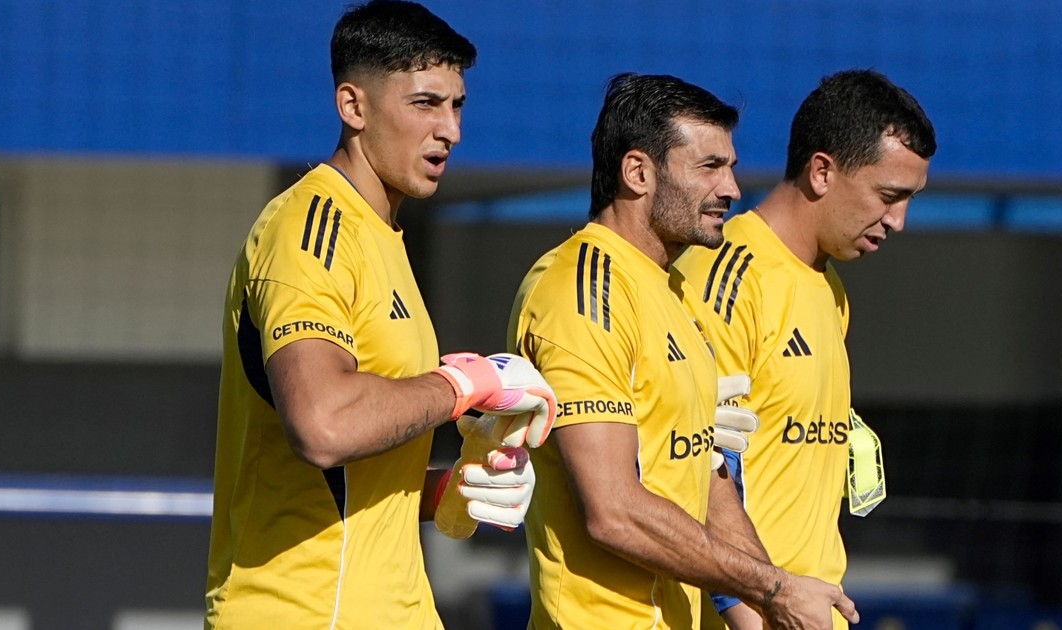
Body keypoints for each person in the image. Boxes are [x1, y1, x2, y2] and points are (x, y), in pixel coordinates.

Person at [205, 2, 554, 627]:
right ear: (353, 107)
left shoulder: (380, 235)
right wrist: (465, 384)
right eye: (425, 103)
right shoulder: (309, 229)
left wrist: (452, 486)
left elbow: (355, 486)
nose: (451, 130)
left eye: (457, 105)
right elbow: (323, 425)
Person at [508, 72, 859, 630]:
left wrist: (774, 605)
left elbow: (710, 481)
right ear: (638, 172)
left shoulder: (675, 292)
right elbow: (613, 511)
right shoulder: (583, 289)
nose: (732, 188)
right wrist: (772, 587)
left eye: (731, 167)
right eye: (709, 167)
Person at [674, 68, 937, 630]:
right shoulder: (725, 276)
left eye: (909, 200)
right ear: (822, 171)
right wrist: (758, 614)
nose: (899, 221)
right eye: (889, 196)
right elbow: (697, 471)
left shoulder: (830, 290)